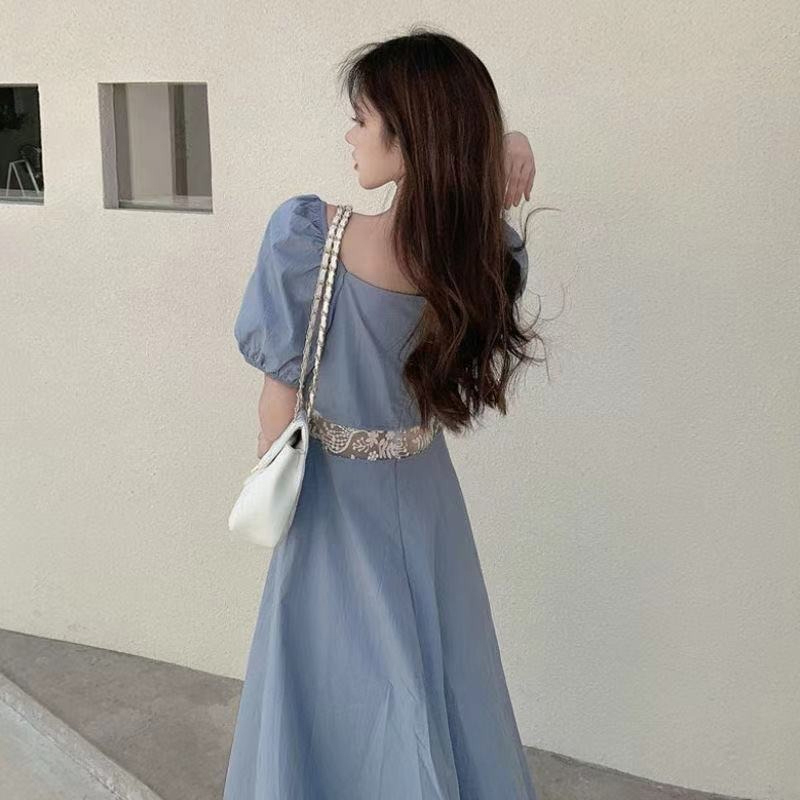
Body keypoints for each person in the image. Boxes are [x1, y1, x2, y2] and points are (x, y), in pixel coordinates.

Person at [223, 27, 545, 800]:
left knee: (330, 683)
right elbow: (474, 184)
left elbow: (274, 415)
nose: (350, 136)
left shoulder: (311, 241)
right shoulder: (479, 256)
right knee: (437, 675)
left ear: (408, 135)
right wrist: (505, 143)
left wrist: (274, 466)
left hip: (333, 503)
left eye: (362, 119)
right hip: (428, 497)